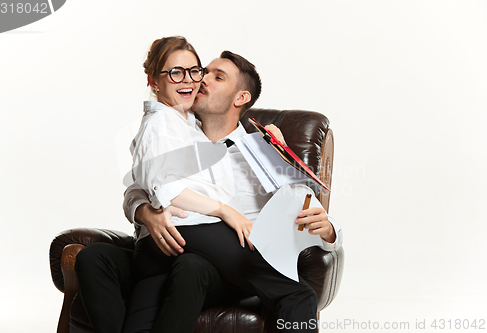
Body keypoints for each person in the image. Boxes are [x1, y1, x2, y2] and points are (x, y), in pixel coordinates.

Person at [76, 39, 342, 333]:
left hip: (227, 263)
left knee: (193, 268)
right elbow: (145, 182)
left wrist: (328, 229)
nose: (200, 80)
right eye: (204, 72)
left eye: (216, 77)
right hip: (172, 246)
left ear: (240, 97)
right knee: (93, 257)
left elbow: (306, 206)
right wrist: (143, 211)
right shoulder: (178, 125)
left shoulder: (262, 148)